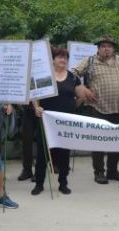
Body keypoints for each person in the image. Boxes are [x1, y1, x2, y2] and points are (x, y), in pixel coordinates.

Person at [72, 35, 119, 184]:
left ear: (113, 49)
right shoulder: (90, 61)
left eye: (109, 46)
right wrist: (84, 90)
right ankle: (99, 172)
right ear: (98, 48)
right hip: (97, 108)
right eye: (103, 46)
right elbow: (72, 74)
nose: (106, 48)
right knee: (98, 142)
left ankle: (112, 171)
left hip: (117, 107)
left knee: (117, 141)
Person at [32, 47, 85, 195]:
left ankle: (63, 183)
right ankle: (39, 183)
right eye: (60, 57)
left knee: (64, 153)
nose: (63, 60)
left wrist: (71, 108)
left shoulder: (73, 77)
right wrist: (37, 107)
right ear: (53, 60)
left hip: (64, 122)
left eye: (65, 58)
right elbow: (35, 95)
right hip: (46, 121)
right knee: (43, 153)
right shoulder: (45, 76)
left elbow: (81, 96)